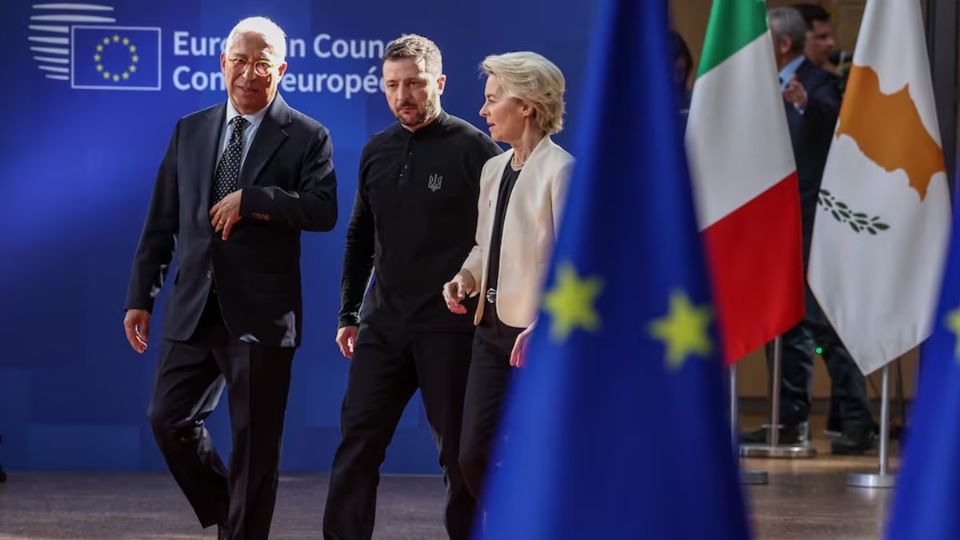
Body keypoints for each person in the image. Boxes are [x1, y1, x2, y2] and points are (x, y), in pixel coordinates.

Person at [123, 16, 337, 540]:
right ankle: (230, 511)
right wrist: (141, 296)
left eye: (262, 63)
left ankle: (243, 529)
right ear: (222, 64)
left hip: (261, 314)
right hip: (194, 306)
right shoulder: (190, 130)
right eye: (239, 60)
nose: (248, 73)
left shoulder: (307, 135)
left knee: (255, 445)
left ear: (281, 70)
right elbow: (161, 221)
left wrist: (256, 200)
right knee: (166, 418)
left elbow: (322, 209)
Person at [324, 34, 501, 540]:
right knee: (357, 444)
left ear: (439, 82)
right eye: (392, 85)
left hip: (450, 329)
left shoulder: (476, 150)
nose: (403, 95)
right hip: (382, 326)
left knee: (460, 456)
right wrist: (349, 312)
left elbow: (496, 241)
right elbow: (360, 236)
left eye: (415, 84)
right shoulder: (376, 150)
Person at [742, 7, 875, 455]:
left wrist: (804, 104)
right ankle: (788, 420)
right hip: (774, 227)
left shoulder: (821, 84)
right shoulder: (759, 88)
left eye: (763, 39)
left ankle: (857, 420)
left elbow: (841, 125)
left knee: (824, 324)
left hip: (815, 226)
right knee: (785, 325)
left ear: (782, 44)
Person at [442, 52, 573, 506]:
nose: (483, 110)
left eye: (493, 99)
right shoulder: (492, 169)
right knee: (473, 455)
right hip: (489, 332)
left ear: (527, 106)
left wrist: (545, 323)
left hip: (536, 338)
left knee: (540, 459)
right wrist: (464, 278)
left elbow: (573, 265)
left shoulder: (562, 171)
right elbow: (485, 246)